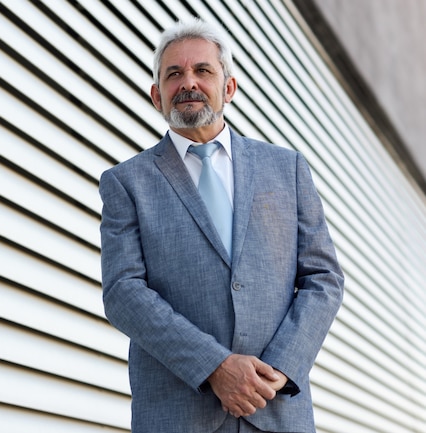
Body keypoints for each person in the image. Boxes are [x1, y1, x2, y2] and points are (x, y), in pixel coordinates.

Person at [99, 18, 344, 433]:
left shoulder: (288, 169)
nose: (188, 82)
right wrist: (215, 366)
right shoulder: (126, 182)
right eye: (173, 74)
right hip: (178, 416)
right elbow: (123, 293)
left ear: (228, 88)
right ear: (157, 95)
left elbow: (324, 278)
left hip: (276, 409)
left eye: (203, 70)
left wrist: (280, 368)